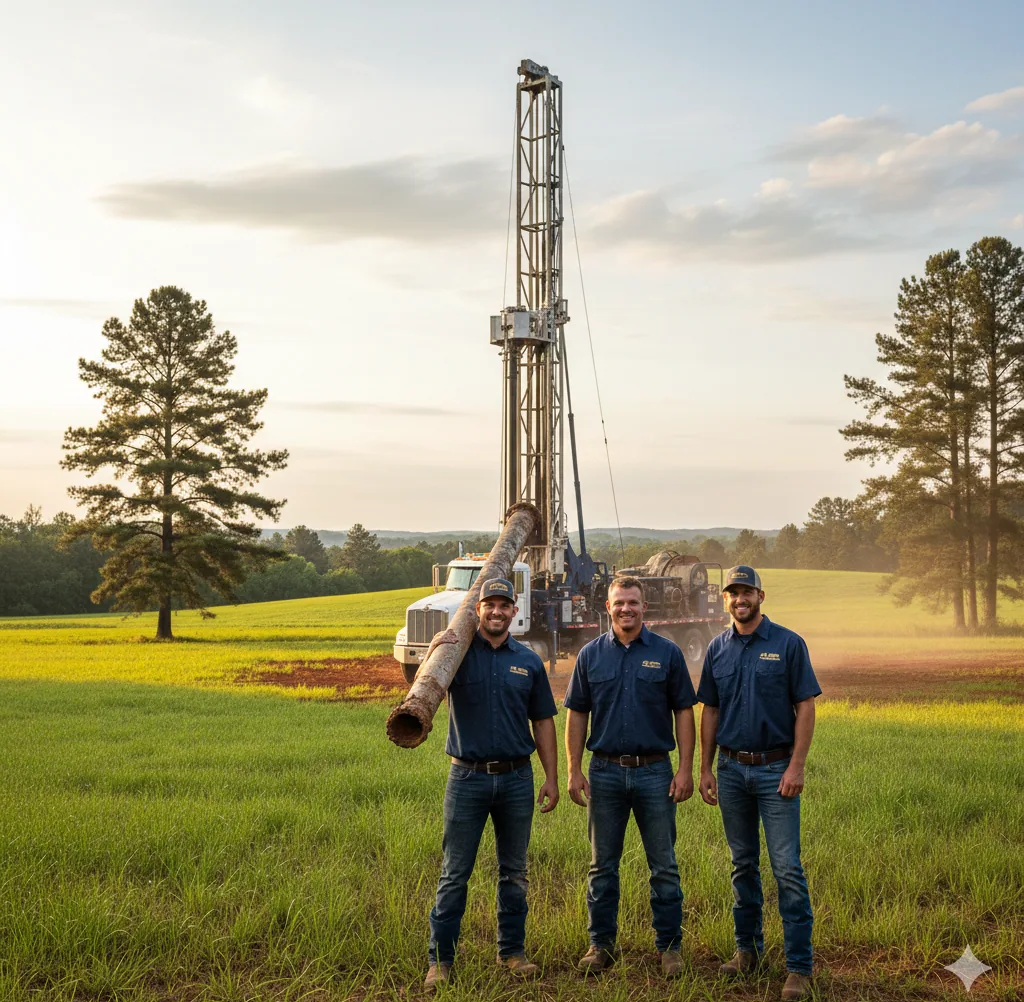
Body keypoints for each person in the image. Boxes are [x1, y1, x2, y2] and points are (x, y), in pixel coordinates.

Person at [425, 578, 559, 991]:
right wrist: (434, 648)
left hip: (518, 779)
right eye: (490, 605)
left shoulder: (529, 661)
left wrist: (552, 777)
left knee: (514, 873)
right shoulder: (455, 653)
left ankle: (512, 953)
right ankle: (440, 961)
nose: (497, 612)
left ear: (514, 611)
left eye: (504, 605)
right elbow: (422, 688)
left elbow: (543, 722)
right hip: (466, 778)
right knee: (454, 873)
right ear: (478, 611)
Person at [696, 566, 821, 1002]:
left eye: (746, 591)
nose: (739, 599)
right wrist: (705, 768)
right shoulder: (717, 649)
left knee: (787, 868)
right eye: (732, 592)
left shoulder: (788, 644)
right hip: (731, 771)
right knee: (742, 865)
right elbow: (709, 711)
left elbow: (804, 707)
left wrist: (797, 766)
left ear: (761, 596)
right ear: (726, 599)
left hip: (775, 771)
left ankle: (799, 968)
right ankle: (746, 950)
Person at [563, 575, 697, 977]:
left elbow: (685, 713)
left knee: (664, 866)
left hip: (656, 773)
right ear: (608, 607)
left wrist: (687, 769)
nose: (627, 609)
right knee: (602, 867)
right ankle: (600, 945)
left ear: (644, 607)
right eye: (619, 602)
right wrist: (573, 769)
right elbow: (577, 715)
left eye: (633, 603)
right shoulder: (590, 656)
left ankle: (669, 948)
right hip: (604, 773)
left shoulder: (668, 653)